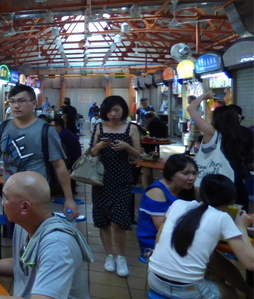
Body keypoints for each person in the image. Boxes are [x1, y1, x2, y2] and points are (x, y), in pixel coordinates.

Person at [148, 174, 254, 299]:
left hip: (154, 280)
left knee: (213, 260)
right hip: (187, 290)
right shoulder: (222, 218)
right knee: (231, 297)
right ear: (231, 201)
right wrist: (241, 226)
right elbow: (250, 262)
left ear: (199, 192)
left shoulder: (179, 205)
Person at [0, 85, 78, 218]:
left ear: (34, 103)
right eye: (12, 101)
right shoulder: (3, 127)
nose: (16, 105)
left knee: (34, 235)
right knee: (14, 236)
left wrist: (69, 199)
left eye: (22, 101)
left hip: (37, 197)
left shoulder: (46, 130)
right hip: (10, 195)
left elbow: (59, 166)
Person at [88, 95, 142, 278]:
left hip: (122, 179)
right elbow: (91, 152)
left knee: (118, 220)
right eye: (110, 110)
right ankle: (108, 255)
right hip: (100, 179)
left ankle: (121, 257)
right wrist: (100, 146)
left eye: (117, 110)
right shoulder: (99, 127)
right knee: (103, 219)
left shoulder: (131, 128)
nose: (113, 114)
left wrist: (126, 146)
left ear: (123, 110)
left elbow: (137, 155)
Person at [188, 92, 253, 210]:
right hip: (237, 181)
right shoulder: (244, 133)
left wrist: (203, 96)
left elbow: (191, 109)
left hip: (216, 182)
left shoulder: (212, 133)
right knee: (238, 214)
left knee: (214, 213)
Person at [137, 154, 198, 256]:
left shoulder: (185, 189)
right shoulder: (157, 191)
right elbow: (162, 228)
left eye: (194, 173)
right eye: (185, 173)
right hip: (154, 245)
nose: (191, 178)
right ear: (171, 174)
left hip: (177, 240)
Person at [53, 116, 81, 196]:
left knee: (67, 171)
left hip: (72, 157)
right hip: (74, 156)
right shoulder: (65, 132)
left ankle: (68, 191)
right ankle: (72, 190)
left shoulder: (62, 135)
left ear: (58, 126)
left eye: (53, 126)